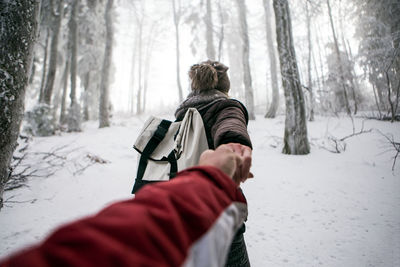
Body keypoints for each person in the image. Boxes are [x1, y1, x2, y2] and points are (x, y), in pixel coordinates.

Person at [0, 144, 252, 267]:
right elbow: (128, 241)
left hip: (209, 205)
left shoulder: (187, 107)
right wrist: (212, 174)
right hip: (213, 202)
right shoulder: (225, 105)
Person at [175, 60, 253, 267]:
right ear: (224, 88)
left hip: (183, 209)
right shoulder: (227, 106)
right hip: (221, 210)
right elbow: (230, 124)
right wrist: (234, 145)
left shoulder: (182, 114)